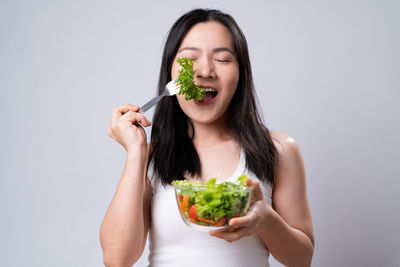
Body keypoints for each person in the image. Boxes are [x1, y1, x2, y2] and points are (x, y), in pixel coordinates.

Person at [100, 8, 314, 267]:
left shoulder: (279, 150)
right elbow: (117, 259)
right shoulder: (150, 157)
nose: (204, 71)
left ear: (240, 74)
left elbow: (302, 259)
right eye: (189, 58)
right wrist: (136, 152)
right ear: (171, 72)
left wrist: (266, 219)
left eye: (223, 59)